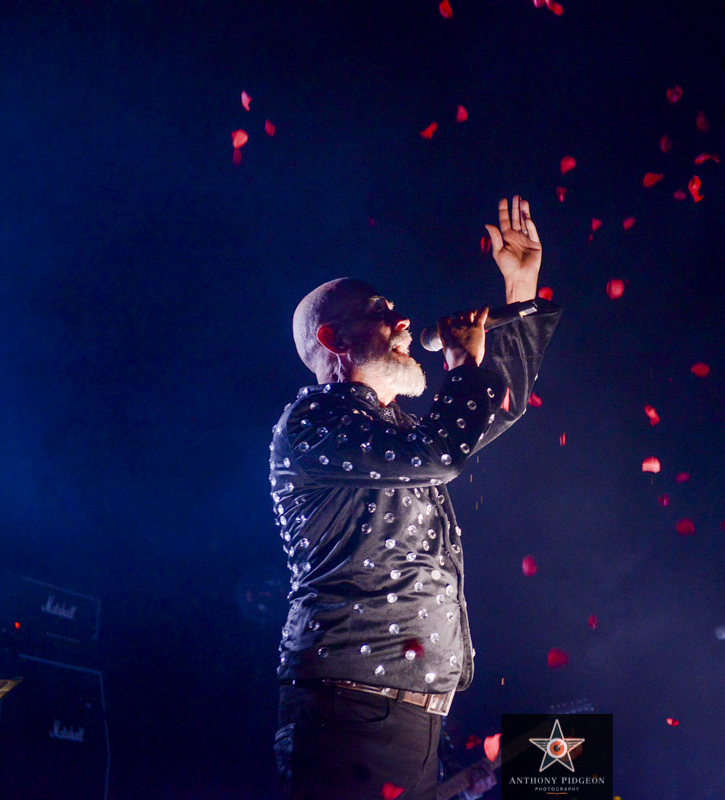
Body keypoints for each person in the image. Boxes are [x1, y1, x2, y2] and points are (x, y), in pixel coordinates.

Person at [270, 196, 560, 799]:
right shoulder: (314, 420)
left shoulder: (394, 433)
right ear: (335, 338)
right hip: (350, 718)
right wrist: (461, 364)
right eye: (384, 315)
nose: (405, 325)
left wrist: (521, 288)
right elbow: (443, 453)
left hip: (405, 719)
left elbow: (488, 414)